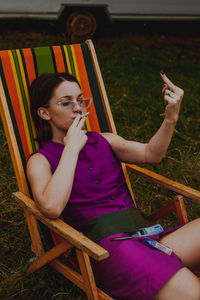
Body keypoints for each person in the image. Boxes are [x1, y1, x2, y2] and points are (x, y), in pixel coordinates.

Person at [26, 71, 200, 300]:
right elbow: (51, 207)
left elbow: (152, 153)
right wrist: (71, 148)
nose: (78, 108)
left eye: (80, 100)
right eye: (66, 103)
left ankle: (164, 271)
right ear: (44, 112)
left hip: (147, 237)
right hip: (109, 251)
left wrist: (171, 117)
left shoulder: (104, 140)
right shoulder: (40, 160)